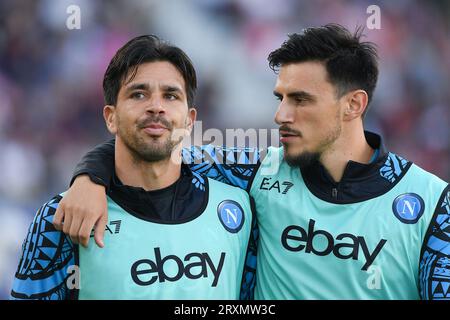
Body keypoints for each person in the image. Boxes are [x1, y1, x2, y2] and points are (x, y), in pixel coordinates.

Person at [54, 25, 450, 300]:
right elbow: (155, 148)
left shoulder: (433, 204)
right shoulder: (257, 172)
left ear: (353, 104)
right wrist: (90, 176)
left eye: (300, 100)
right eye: (281, 98)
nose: (281, 115)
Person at [10, 35, 256, 300]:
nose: (156, 107)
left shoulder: (240, 203)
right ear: (111, 117)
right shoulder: (62, 218)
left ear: (189, 120)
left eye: (171, 95)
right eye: (138, 94)